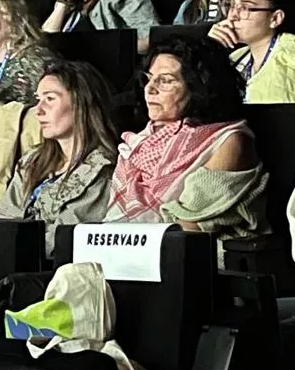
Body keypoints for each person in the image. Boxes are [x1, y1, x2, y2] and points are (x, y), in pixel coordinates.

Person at [104, 36, 267, 244]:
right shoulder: (137, 144)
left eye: (166, 80)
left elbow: (187, 227)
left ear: (198, 88)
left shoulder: (228, 141)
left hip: (195, 262)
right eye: (149, 78)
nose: (149, 89)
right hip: (131, 252)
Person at [0, 62, 120, 252]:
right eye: (38, 99)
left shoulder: (103, 171)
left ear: (81, 103)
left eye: (50, 99)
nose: (38, 110)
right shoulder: (32, 161)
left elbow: (62, 243)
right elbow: (4, 221)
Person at [212, 0, 295, 102]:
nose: (233, 16)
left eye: (245, 8)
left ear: (275, 18)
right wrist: (210, 48)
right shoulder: (236, 58)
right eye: (232, 5)